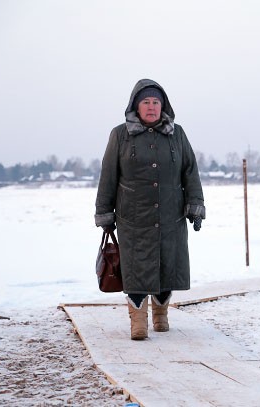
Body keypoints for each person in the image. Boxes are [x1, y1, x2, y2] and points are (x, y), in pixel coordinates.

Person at [95, 79, 205, 340]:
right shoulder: (120, 135)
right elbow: (108, 175)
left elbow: (190, 171)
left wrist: (195, 206)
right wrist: (104, 213)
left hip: (171, 215)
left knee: (167, 265)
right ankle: (138, 323)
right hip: (133, 218)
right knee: (136, 269)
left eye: (156, 102)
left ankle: (160, 316)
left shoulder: (177, 134)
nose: (152, 107)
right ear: (136, 106)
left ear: (163, 106)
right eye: (146, 102)